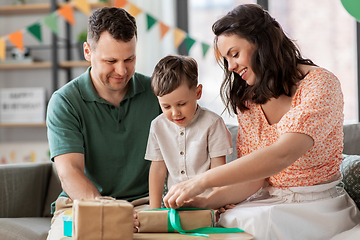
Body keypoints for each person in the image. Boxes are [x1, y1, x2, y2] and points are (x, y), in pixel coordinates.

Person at [163, 4, 360, 239]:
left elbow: (281, 155)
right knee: (227, 223)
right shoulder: (249, 100)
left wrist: (200, 181)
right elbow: (254, 178)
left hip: (318, 205)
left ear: (262, 42)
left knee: (254, 227)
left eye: (234, 54)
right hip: (269, 201)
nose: (231, 67)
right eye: (226, 60)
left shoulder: (320, 84)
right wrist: (205, 201)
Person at [46, 7, 161, 240]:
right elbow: (70, 171)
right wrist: (110, 212)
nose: (122, 70)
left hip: (147, 205)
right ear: (88, 51)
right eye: (111, 61)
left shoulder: (157, 93)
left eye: (130, 59)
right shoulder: (65, 101)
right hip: (81, 205)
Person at [145, 55, 233, 209]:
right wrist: (154, 210)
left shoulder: (212, 124)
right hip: (174, 204)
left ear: (198, 93)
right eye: (166, 107)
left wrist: (219, 202)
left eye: (181, 104)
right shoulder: (157, 126)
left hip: (208, 202)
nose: (175, 113)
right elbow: (158, 169)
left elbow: (218, 169)